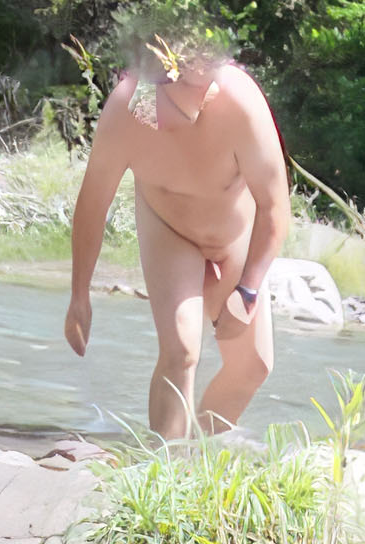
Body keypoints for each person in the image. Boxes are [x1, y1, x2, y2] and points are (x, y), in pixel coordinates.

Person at [62, 30, 292, 437]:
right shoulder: (131, 108)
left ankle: (198, 454)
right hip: (168, 230)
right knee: (182, 349)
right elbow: (93, 204)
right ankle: (162, 467)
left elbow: (275, 208)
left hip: (234, 237)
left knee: (253, 366)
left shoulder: (240, 102)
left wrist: (249, 290)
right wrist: (79, 295)